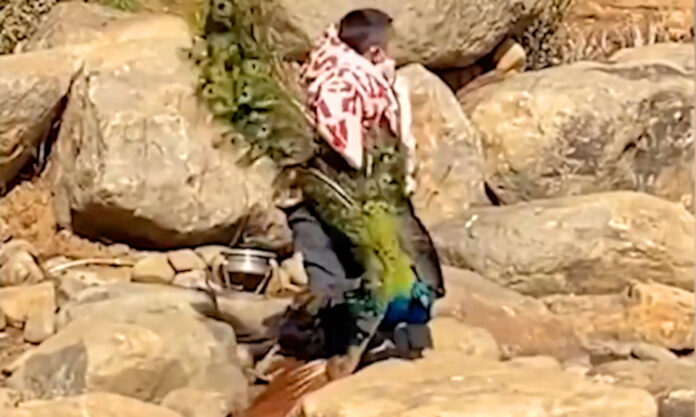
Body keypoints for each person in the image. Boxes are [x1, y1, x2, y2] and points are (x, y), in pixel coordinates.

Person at [278, 8, 444, 360]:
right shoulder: (347, 86)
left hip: (318, 190)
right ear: (372, 52)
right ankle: (349, 343)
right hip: (344, 193)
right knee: (363, 269)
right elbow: (350, 147)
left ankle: (346, 338)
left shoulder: (324, 70)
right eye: (387, 46)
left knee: (339, 269)